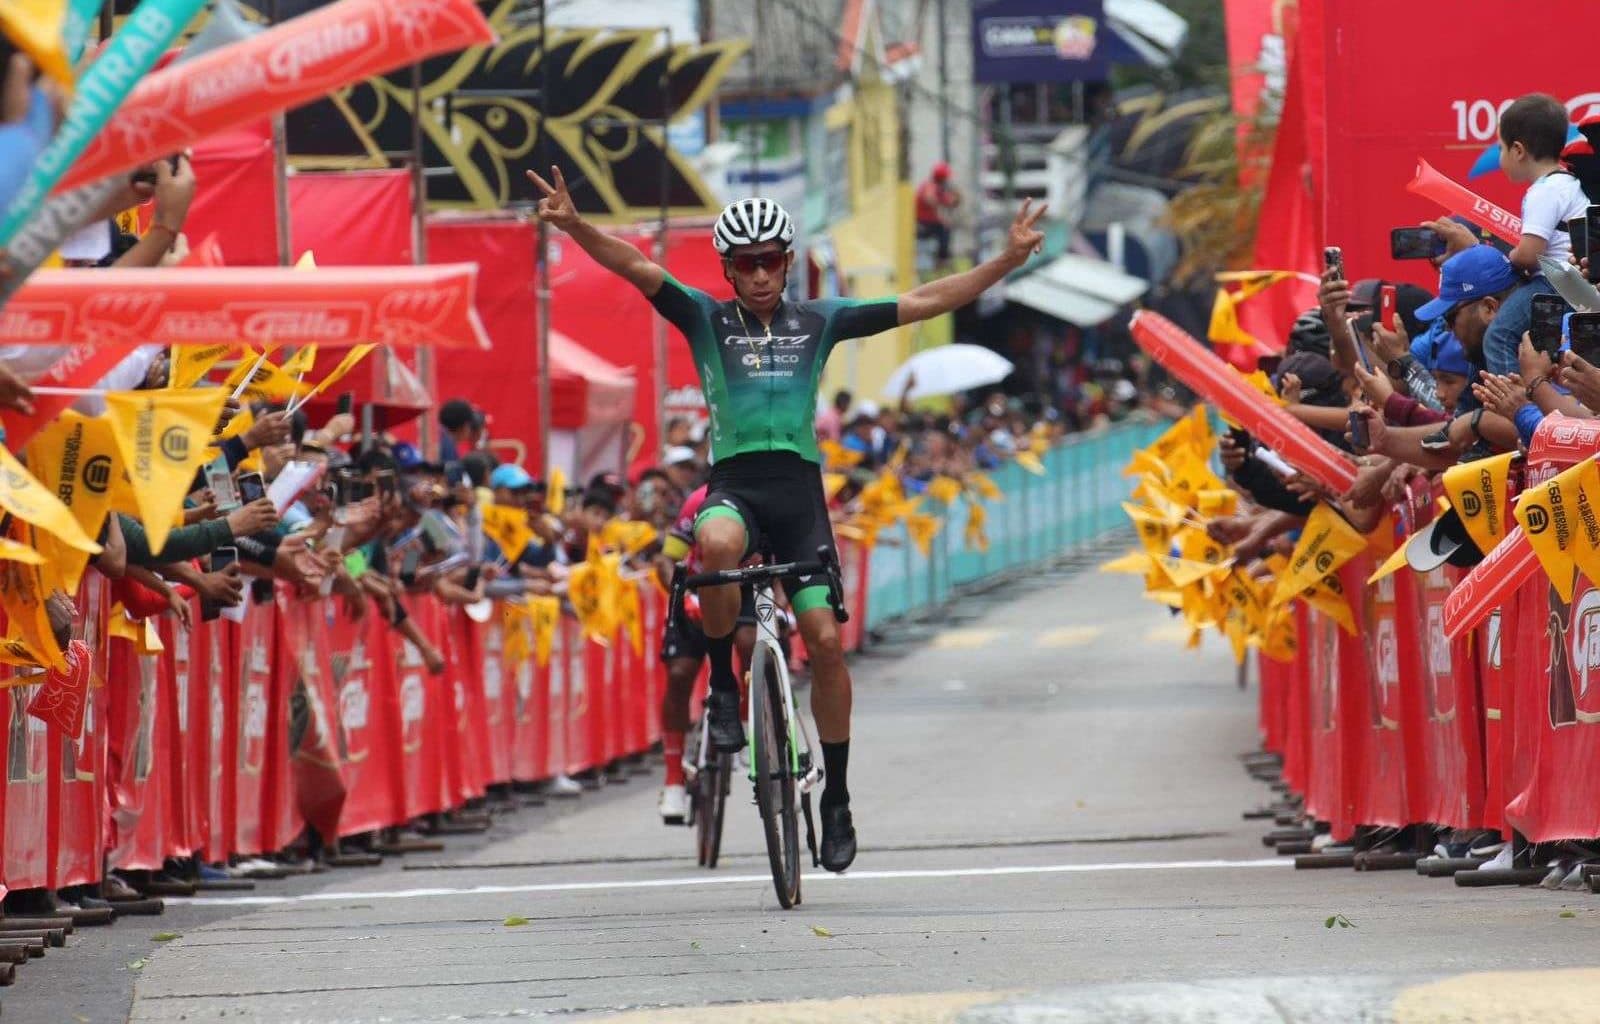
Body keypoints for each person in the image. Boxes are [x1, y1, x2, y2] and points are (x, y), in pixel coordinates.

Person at [529, 162, 1045, 872]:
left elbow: (926, 298)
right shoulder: (704, 318)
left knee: (826, 642)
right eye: (748, 265)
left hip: (799, 493)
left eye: (772, 262)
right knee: (712, 543)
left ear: (789, 263)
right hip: (736, 483)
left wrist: (1006, 260)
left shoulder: (820, 321)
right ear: (729, 269)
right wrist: (577, 224)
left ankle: (835, 797)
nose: (762, 275)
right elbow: (635, 266)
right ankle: (721, 690)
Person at [654, 484, 757, 824]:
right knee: (680, 673)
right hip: (698, 587)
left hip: (745, 589)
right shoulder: (697, 501)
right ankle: (672, 779)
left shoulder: (765, 496)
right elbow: (667, 558)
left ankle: (745, 724)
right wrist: (681, 596)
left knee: (747, 643)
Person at [915, 161, 961, 266]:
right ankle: (942, 259)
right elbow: (929, 198)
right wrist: (943, 200)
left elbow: (952, 202)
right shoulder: (930, 186)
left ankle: (943, 257)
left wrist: (954, 197)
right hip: (922, 224)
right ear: (942, 178)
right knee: (944, 228)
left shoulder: (937, 188)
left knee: (945, 225)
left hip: (928, 223)